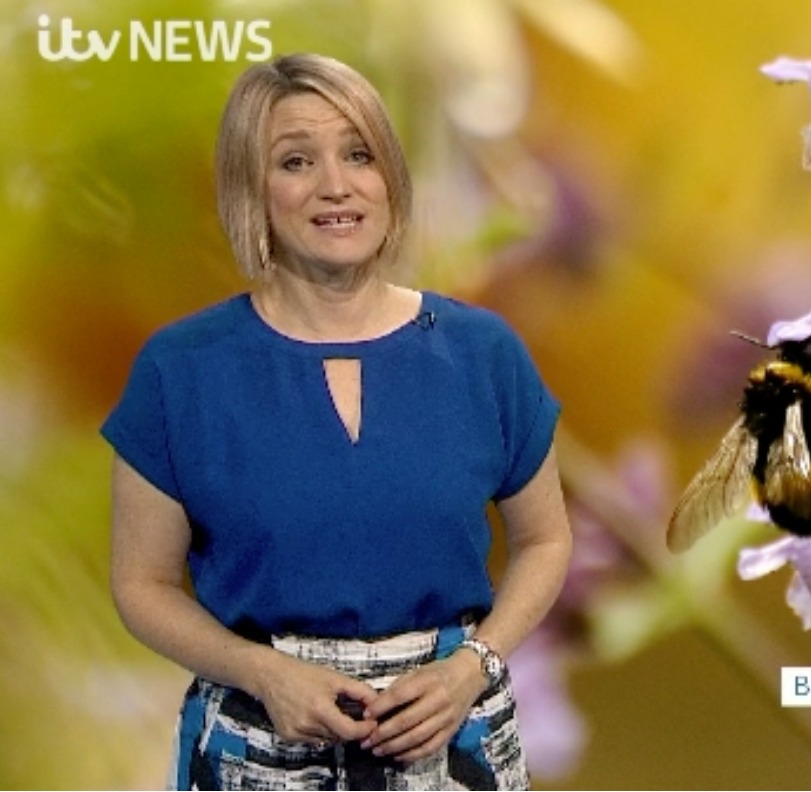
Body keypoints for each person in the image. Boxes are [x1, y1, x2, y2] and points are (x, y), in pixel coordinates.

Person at [102, 52, 572, 790]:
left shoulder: (484, 352)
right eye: (296, 161)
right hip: (255, 748)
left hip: (453, 736)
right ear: (251, 189)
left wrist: (471, 667)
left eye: (359, 155)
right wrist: (262, 672)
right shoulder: (180, 369)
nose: (336, 186)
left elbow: (545, 540)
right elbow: (142, 584)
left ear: (391, 177)